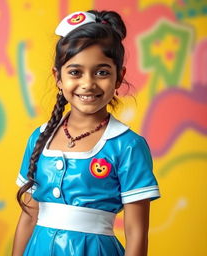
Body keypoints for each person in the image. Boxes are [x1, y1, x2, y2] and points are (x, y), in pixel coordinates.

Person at [12, 10, 160, 256]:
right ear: (57, 77)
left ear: (119, 77)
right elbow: (28, 217)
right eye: (75, 72)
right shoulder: (40, 139)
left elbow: (136, 232)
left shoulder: (127, 146)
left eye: (102, 72)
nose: (88, 83)